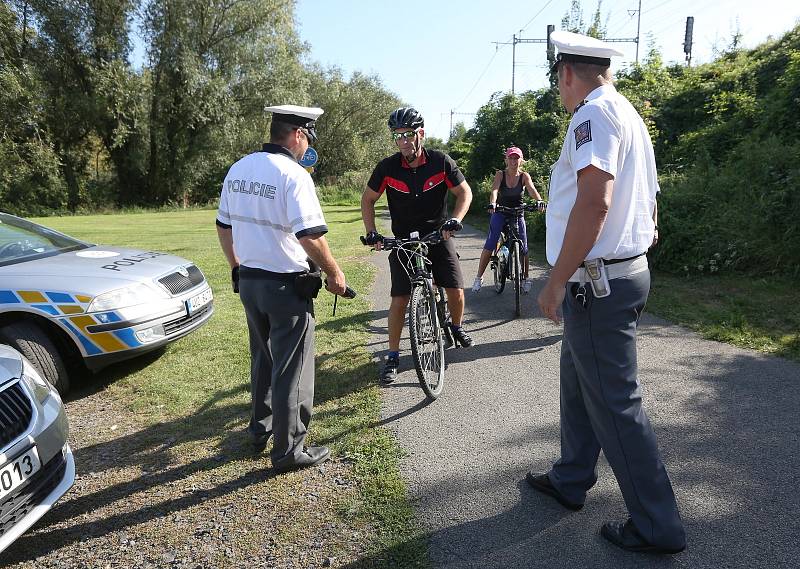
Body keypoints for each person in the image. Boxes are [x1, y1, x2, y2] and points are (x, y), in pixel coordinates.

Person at [529, 31, 687, 554]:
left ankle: (657, 525)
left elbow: (595, 202)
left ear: (567, 73)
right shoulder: (628, 113)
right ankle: (571, 478)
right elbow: (650, 198)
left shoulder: (592, 115)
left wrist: (555, 281)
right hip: (617, 275)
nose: (559, 89)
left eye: (558, 79)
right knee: (577, 379)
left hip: (598, 285)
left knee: (616, 405)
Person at [216, 104, 347, 473]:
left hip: (250, 281)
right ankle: (289, 450)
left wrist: (236, 266)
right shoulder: (294, 175)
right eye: (308, 139)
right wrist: (335, 273)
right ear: (298, 135)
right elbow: (310, 236)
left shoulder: (238, 169)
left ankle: (260, 431)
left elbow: (223, 226)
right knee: (293, 369)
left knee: (262, 359)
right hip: (286, 287)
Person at [361, 107, 474, 384]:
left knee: (455, 289)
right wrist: (372, 232)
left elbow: (464, 193)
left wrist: (455, 220)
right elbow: (368, 200)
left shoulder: (440, 162)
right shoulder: (387, 167)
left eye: (408, 135)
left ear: (420, 133)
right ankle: (392, 355)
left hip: (438, 235)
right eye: (397, 136)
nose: (403, 141)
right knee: (400, 298)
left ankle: (455, 327)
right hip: (402, 242)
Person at [472, 146, 544, 294]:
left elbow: (531, 189)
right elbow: (494, 190)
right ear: (506, 160)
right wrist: (493, 203)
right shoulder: (500, 175)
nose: (513, 161)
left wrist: (539, 201)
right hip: (500, 212)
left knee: (523, 247)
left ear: (521, 160)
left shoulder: (524, 176)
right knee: (491, 243)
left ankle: (525, 279)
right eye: (510, 158)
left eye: (516, 158)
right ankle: (479, 278)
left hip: (517, 213)